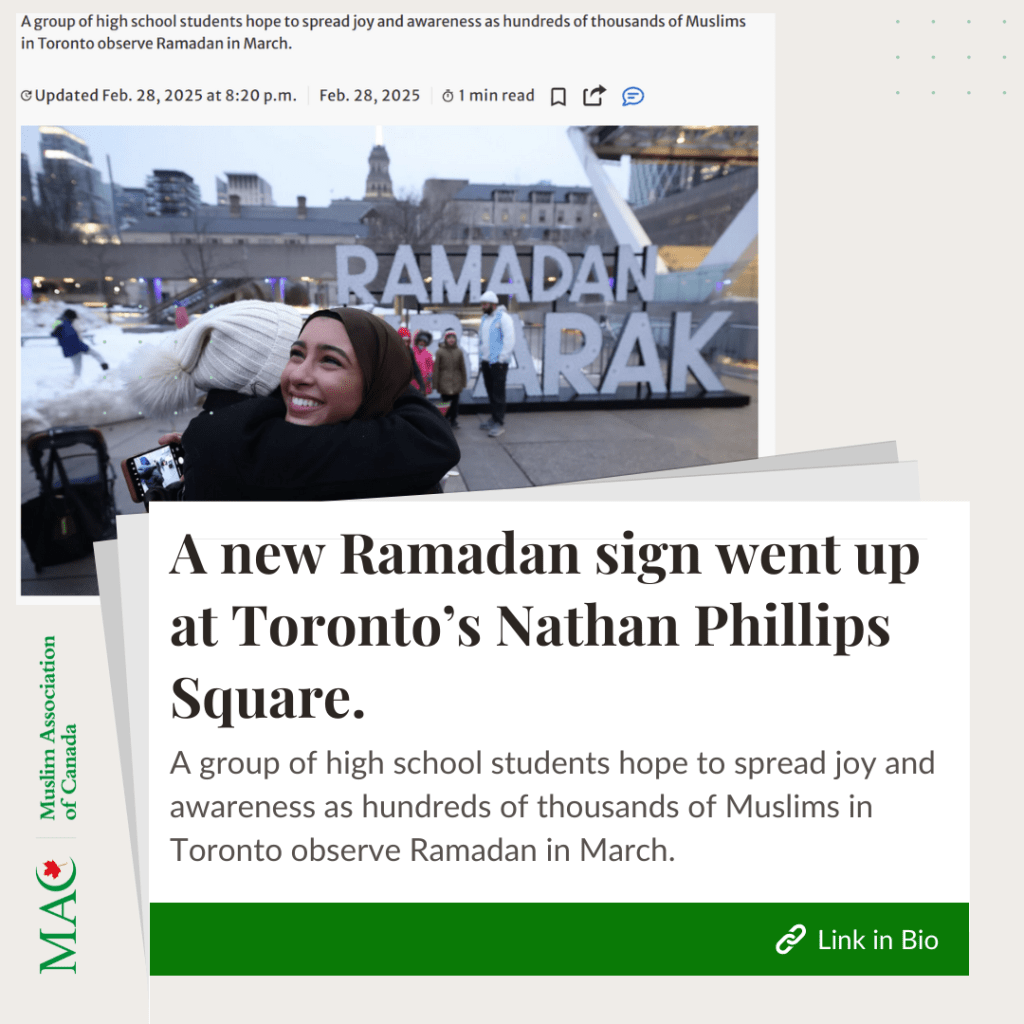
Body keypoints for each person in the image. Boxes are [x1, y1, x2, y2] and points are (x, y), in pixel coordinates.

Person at [129, 303, 459, 502]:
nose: (299, 374)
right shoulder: (229, 443)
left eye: (329, 360)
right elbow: (432, 440)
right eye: (295, 354)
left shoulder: (217, 441)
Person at [477, 290, 515, 437]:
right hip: (486, 362)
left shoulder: (503, 318)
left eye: (485, 304)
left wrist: (501, 358)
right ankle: (493, 418)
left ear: (493, 304)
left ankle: (499, 423)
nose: (482, 306)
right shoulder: (485, 319)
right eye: (482, 304)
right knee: (491, 392)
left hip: (498, 363)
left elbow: (509, 339)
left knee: (498, 393)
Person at [51, 309, 109, 378]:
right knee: (93, 356)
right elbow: (72, 339)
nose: (74, 320)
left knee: (77, 368)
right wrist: (84, 347)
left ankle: (75, 383)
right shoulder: (67, 325)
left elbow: (55, 333)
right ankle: (105, 368)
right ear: (71, 317)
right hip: (77, 348)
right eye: (74, 318)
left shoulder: (61, 323)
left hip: (69, 349)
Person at [434, 329, 467, 429]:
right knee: (445, 403)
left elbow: (462, 367)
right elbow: (436, 369)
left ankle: (454, 420)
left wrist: (463, 382)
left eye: (453, 338)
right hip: (444, 382)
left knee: (455, 403)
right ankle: (445, 420)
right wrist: (435, 384)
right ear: (445, 339)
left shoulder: (459, 351)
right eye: (449, 338)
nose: (451, 340)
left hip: (456, 382)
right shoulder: (440, 352)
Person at [398, 325, 425, 391]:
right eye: (403, 341)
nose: (406, 344)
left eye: (407, 341)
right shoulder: (393, 352)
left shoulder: (410, 352)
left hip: (408, 385)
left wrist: (422, 386)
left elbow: (416, 370)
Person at [413, 330, 434, 395]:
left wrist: (430, 376)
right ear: (417, 341)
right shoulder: (412, 351)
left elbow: (431, 367)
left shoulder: (428, 354)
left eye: (424, 342)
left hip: (425, 382)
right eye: (420, 341)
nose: (422, 343)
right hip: (413, 381)